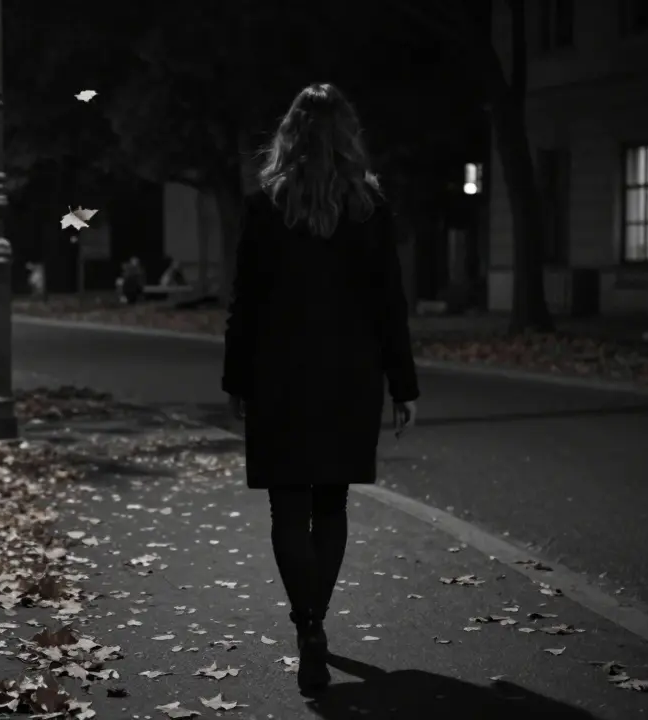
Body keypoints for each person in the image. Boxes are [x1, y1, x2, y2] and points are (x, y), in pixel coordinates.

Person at [221, 83, 419, 696]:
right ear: (347, 136)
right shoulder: (369, 209)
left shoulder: (265, 207)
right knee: (331, 505)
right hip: (348, 377)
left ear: (291, 136)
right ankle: (315, 622)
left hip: (280, 376)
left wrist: (236, 381)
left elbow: (245, 305)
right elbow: (390, 304)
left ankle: (306, 624)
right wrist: (402, 384)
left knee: (287, 509)